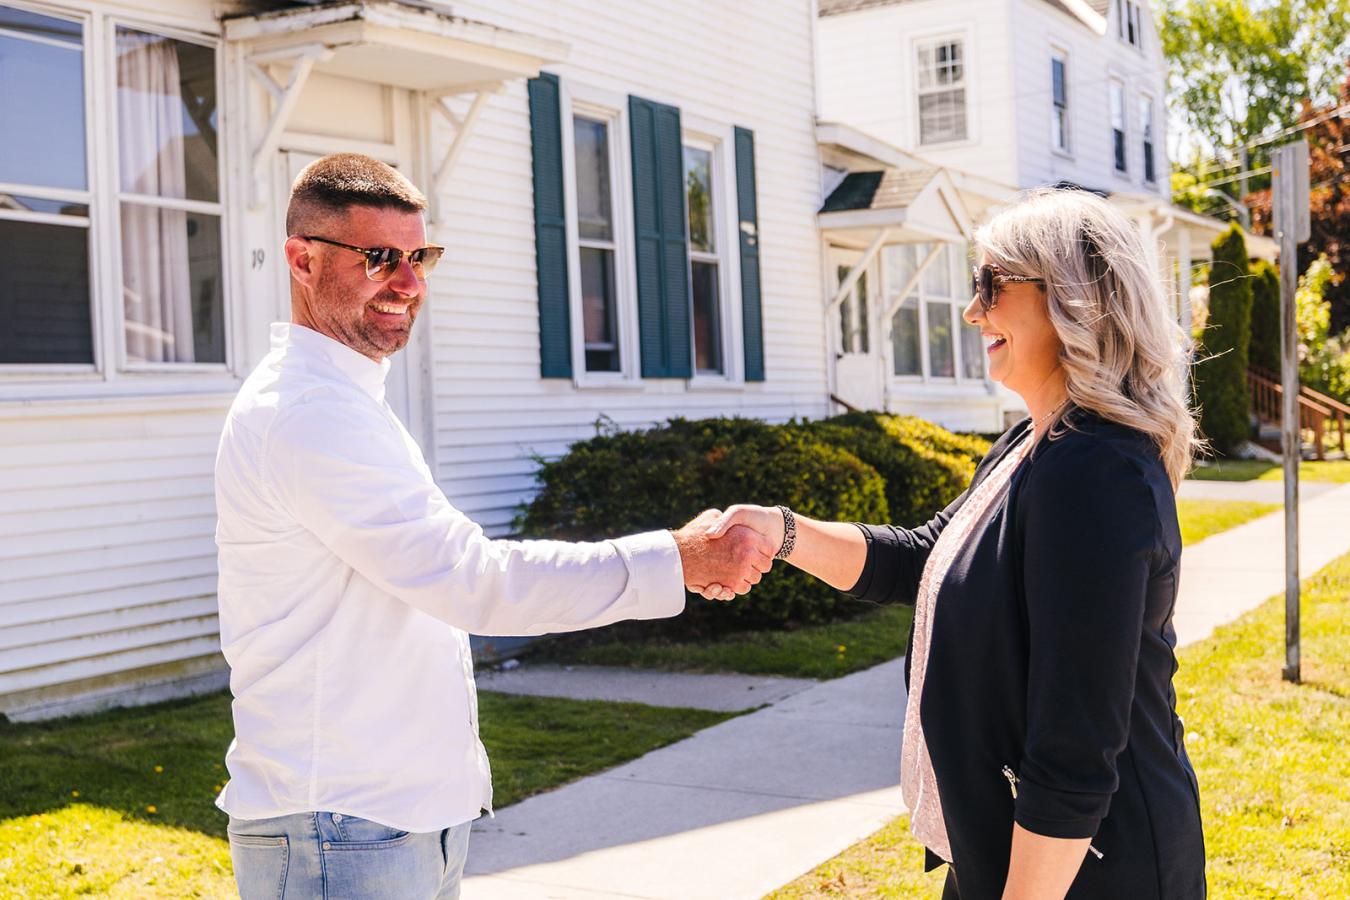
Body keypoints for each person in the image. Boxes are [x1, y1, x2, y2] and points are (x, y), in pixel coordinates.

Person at [214, 153, 773, 899]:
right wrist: (676, 558)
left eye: (420, 257)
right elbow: (473, 581)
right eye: (381, 257)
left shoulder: (345, 402)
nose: (408, 284)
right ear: (302, 260)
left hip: (389, 821)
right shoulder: (308, 414)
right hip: (339, 827)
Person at [705, 187, 1206, 899]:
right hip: (1008, 848)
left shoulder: (1096, 473)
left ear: (1070, 297)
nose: (973, 311)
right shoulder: (1034, 444)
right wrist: (780, 532)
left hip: (1088, 868)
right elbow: (927, 558)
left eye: (991, 285)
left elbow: (1075, 745)